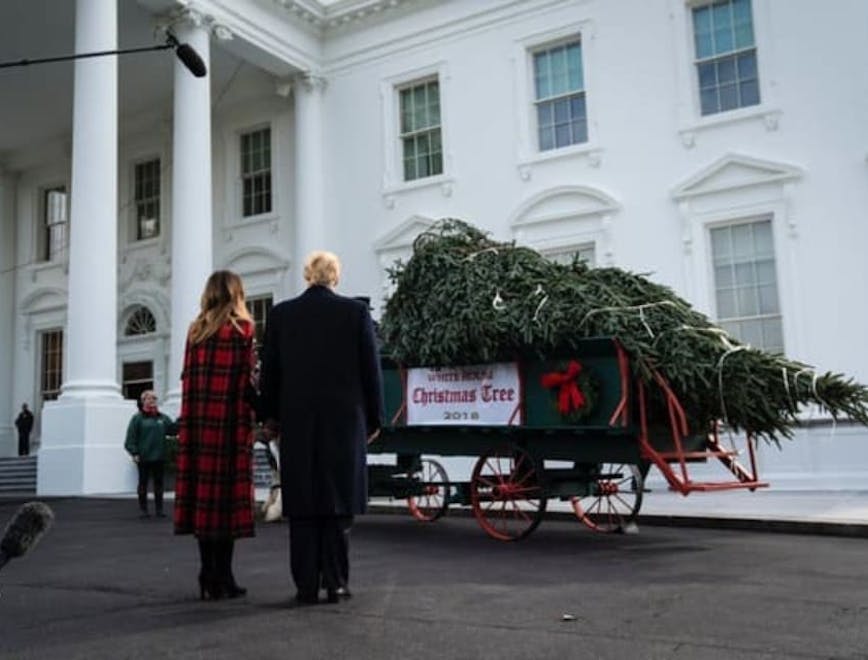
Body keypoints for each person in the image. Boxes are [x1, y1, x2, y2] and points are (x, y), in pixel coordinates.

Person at [259, 250, 383, 606]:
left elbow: (271, 374)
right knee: (337, 505)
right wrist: (374, 419)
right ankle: (336, 582)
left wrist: (270, 417)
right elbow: (369, 372)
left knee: (302, 506)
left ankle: (306, 586)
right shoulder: (356, 312)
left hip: (297, 421)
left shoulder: (282, 315)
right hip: (345, 422)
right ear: (335, 277)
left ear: (307, 276)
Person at [174, 270, 257, 601]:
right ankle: (224, 575)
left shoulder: (195, 332)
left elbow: (187, 382)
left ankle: (208, 573)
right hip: (230, 429)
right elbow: (247, 385)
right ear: (236, 294)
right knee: (226, 507)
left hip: (198, 430)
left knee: (203, 505)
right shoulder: (243, 330)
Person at [124, 391, 176, 519]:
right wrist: (134, 452)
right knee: (143, 483)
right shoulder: (137, 418)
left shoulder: (162, 418)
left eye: (154, 398)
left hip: (159, 456)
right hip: (144, 457)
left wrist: (183, 420)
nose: (152, 400)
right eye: (149, 398)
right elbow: (131, 438)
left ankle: (159, 510)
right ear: (143, 401)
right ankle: (144, 510)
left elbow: (172, 430)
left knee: (159, 484)